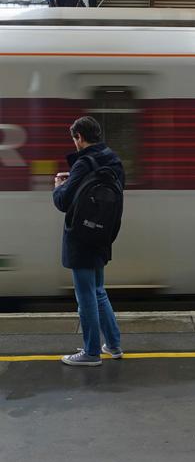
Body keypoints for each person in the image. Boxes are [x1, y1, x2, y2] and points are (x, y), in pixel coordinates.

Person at [53, 116, 125, 367]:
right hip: (102, 233)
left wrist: (58, 186)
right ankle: (113, 345)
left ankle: (91, 352)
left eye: (74, 138)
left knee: (85, 296)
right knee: (98, 291)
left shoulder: (84, 163)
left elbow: (63, 202)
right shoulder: (113, 159)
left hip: (81, 237)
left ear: (79, 137)